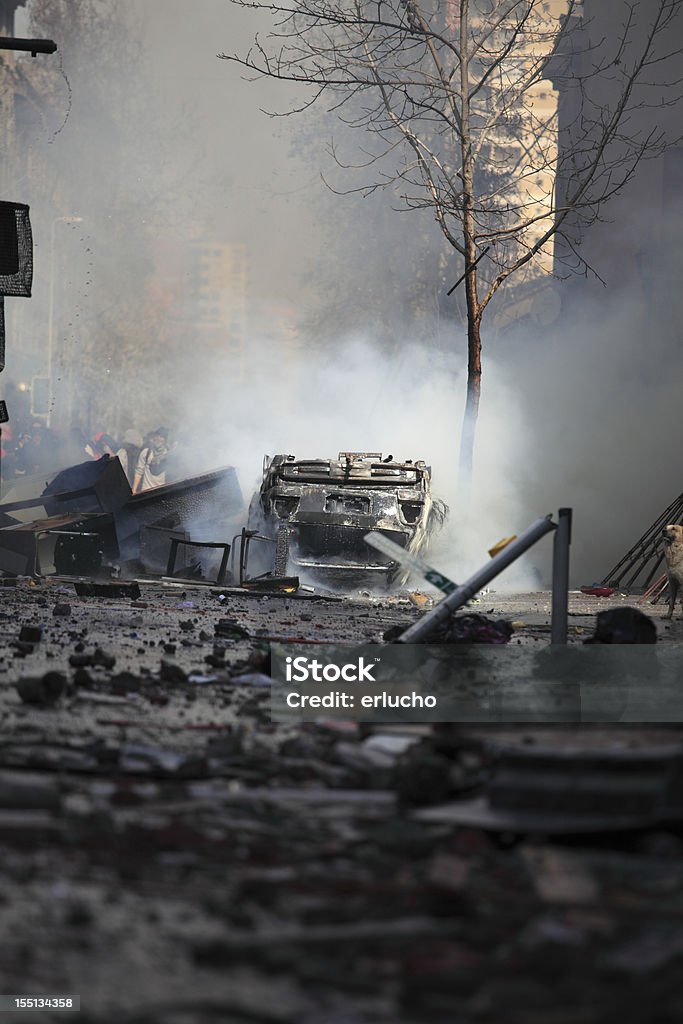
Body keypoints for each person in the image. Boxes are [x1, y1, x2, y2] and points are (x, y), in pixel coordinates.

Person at [133, 427, 170, 493]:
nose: (158, 438)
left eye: (161, 437)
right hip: (146, 490)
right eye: (157, 435)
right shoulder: (146, 452)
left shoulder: (169, 455)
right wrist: (134, 489)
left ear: (165, 440)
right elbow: (139, 472)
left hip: (161, 492)